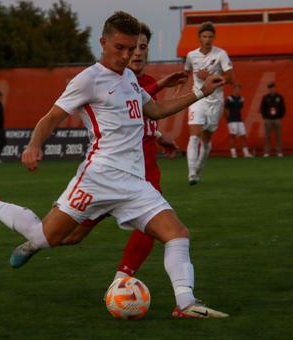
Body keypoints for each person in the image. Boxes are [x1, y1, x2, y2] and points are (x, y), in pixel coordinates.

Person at [0, 12, 228, 319]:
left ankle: (186, 304)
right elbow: (51, 117)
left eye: (132, 48)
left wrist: (201, 92)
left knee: (177, 233)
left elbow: (156, 109)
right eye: (120, 47)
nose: (127, 55)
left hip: (134, 183)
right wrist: (34, 145)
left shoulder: (130, 78)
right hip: (97, 179)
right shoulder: (88, 79)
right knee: (46, 237)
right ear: (103, 42)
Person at [35, 22, 186, 284]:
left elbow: (146, 114)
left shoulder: (136, 80)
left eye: (140, 48)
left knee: (163, 229)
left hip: (141, 174)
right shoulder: (96, 79)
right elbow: (125, 110)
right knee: (69, 236)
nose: (133, 54)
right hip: (104, 176)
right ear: (106, 44)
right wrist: (33, 145)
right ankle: (22, 233)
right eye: (128, 48)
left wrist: (160, 136)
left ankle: (125, 282)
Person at [184, 21, 234, 185]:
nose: (207, 39)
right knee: (194, 134)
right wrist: (179, 87)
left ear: (214, 38)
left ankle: (198, 169)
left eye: (210, 36)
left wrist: (209, 78)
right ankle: (191, 173)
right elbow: (186, 73)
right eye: (204, 36)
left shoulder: (221, 54)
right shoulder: (191, 55)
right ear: (199, 38)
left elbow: (231, 78)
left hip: (215, 101)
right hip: (197, 98)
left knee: (206, 139)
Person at [224, 83, 253, 158]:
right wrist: (229, 119)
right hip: (232, 121)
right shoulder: (229, 99)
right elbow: (225, 109)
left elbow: (240, 108)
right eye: (236, 89)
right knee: (232, 136)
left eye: (239, 89)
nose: (237, 90)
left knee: (243, 135)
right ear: (233, 90)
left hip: (239, 120)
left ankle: (246, 153)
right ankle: (233, 153)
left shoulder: (241, 99)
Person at [260, 82, 286, 157]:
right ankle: (267, 152)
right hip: (268, 119)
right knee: (267, 136)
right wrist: (265, 117)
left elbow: (283, 108)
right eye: (270, 88)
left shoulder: (279, 97)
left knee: (278, 136)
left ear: (274, 88)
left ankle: (279, 152)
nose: (271, 89)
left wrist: (280, 117)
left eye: (272, 88)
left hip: (277, 119)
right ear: (268, 89)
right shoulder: (265, 97)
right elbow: (262, 108)